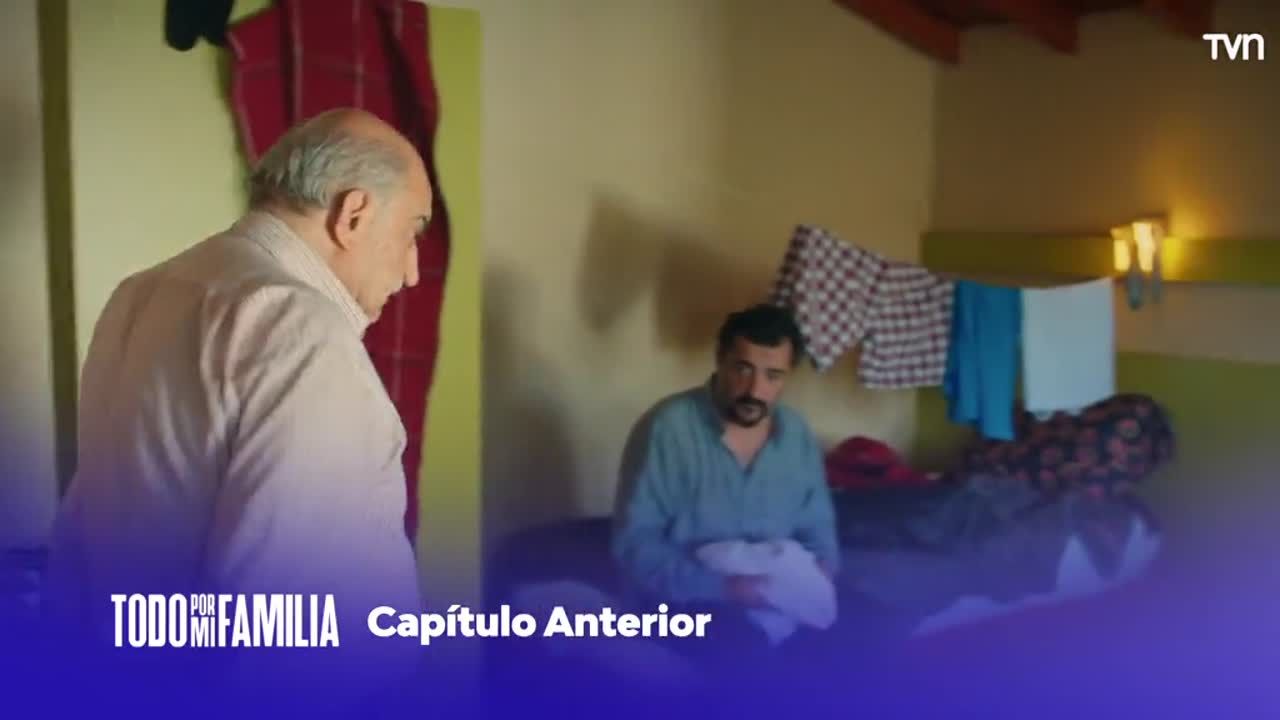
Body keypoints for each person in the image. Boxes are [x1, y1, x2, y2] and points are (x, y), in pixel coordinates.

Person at [44, 109, 429, 705]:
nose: (411, 272)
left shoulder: (141, 293)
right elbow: (287, 637)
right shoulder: (300, 329)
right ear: (353, 216)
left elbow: (82, 535)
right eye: (411, 233)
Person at [611, 304, 841, 669]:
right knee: (750, 661)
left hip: (779, 598)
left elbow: (818, 532)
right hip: (686, 605)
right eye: (743, 369)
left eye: (773, 376)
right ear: (720, 360)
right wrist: (724, 589)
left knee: (874, 633)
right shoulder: (667, 428)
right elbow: (635, 544)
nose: (755, 389)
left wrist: (820, 574)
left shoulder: (796, 435)